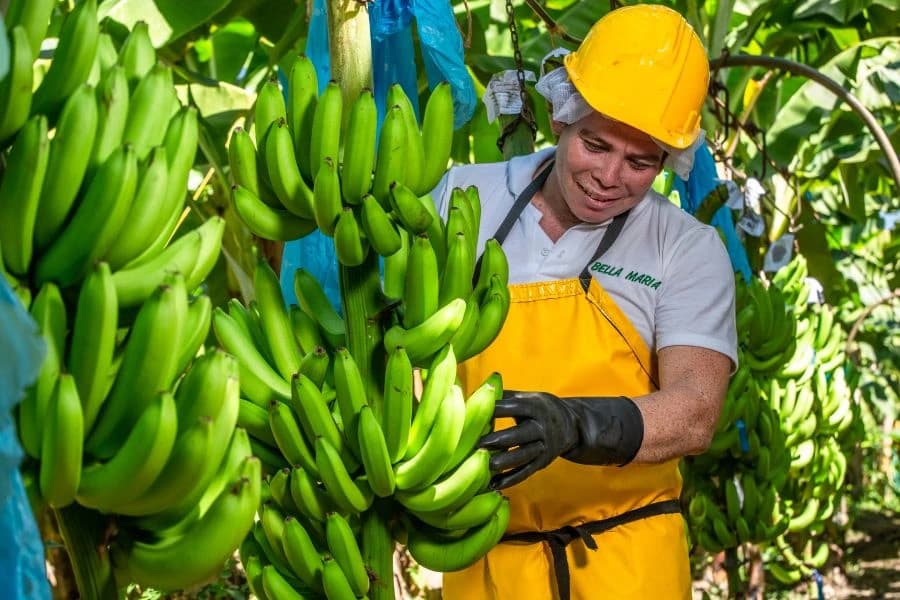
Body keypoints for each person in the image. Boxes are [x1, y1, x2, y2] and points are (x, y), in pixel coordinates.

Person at [430, 5, 738, 599]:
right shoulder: (466, 197)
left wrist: (575, 424)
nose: (609, 176)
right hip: (485, 560)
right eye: (595, 145)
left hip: (628, 562)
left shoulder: (686, 248)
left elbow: (697, 411)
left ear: (667, 162)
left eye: (640, 162)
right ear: (560, 117)